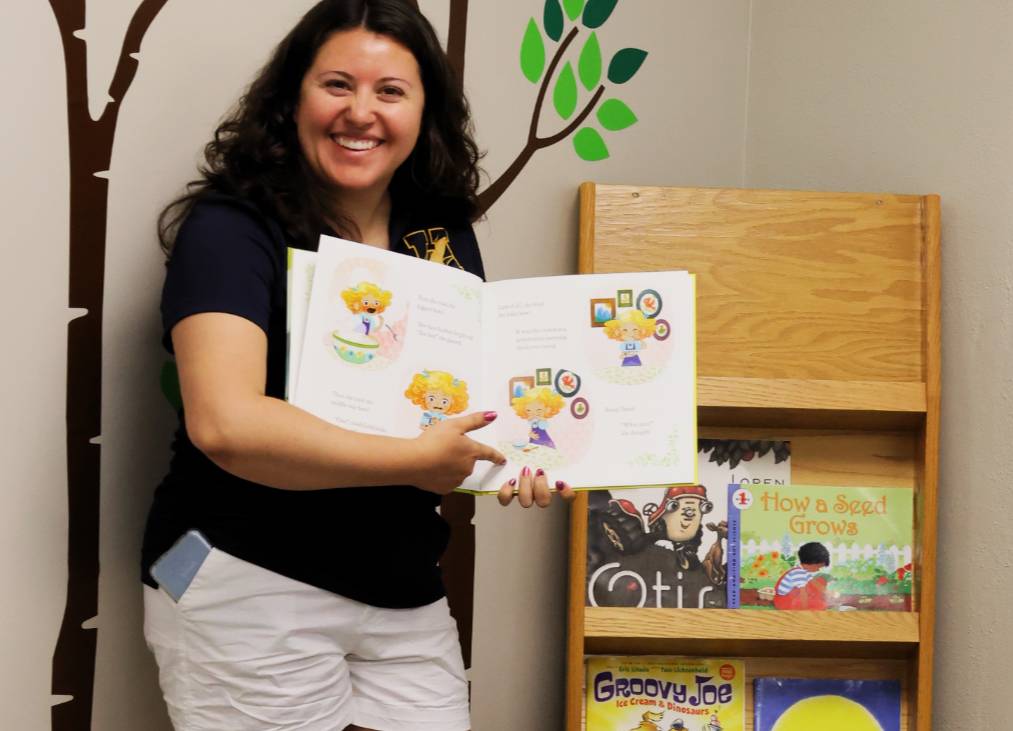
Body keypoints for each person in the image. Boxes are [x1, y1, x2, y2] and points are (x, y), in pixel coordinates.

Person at [140, 2, 574, 730]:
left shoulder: (438, 236)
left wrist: (520, 453)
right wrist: (415, 458)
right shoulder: (231, 227)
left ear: (423, 110)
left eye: (390, 91)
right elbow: (225, 423)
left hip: (402, 586)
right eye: (337, 84)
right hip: (247, 576)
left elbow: (459, 405)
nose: (361, 113)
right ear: (292, 99)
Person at [773, 542, 831, 610]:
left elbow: (814, 584)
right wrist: (804, 608)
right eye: (818, 566)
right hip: (785, 602)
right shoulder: (798, 573)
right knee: (817, 604)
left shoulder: (804, 571)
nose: (818, 570)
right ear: (812, 562)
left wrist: (828, 593)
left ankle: (820, 601)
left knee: (820, 581)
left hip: (794, 597)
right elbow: (803, 594)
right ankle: (817, 604)